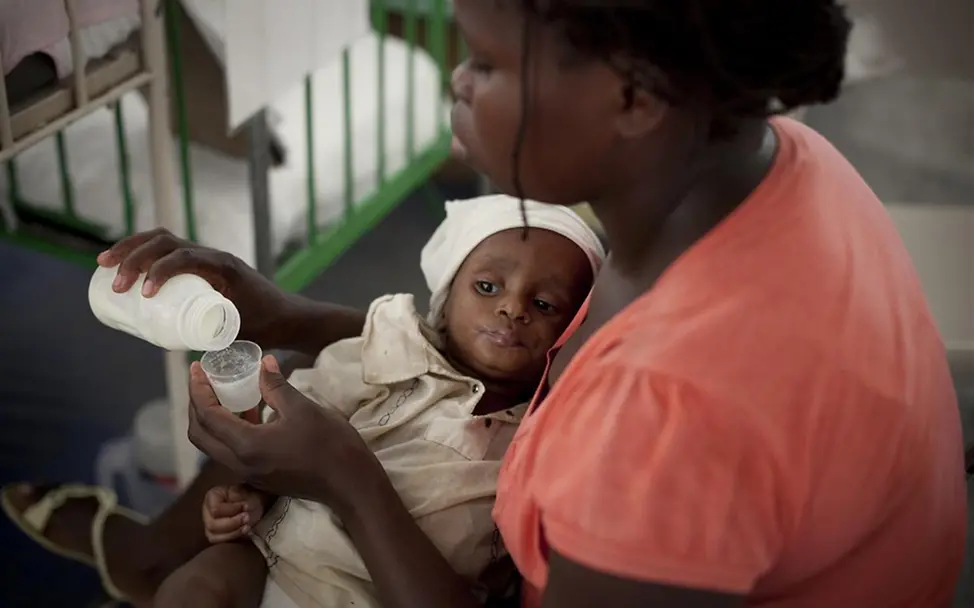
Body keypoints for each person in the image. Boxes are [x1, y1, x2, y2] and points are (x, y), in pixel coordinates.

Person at [2, 0, 966, 606]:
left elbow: (642, 429)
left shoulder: (674, 423)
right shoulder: (776, 167)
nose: (456, 80)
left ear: (634, 99)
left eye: (488, 61)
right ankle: (147, 560)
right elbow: (503, 357)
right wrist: (286, 316)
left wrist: (346, 476)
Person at [188, 196, 601, 607]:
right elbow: (299, 429)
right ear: (447, 292)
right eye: (487, 287)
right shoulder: (391, 350)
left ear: (574, 330)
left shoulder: (542, 436)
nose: (512, 308)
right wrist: (254, 495)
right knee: (200, 584)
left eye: (544, 305)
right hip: (279, 558)